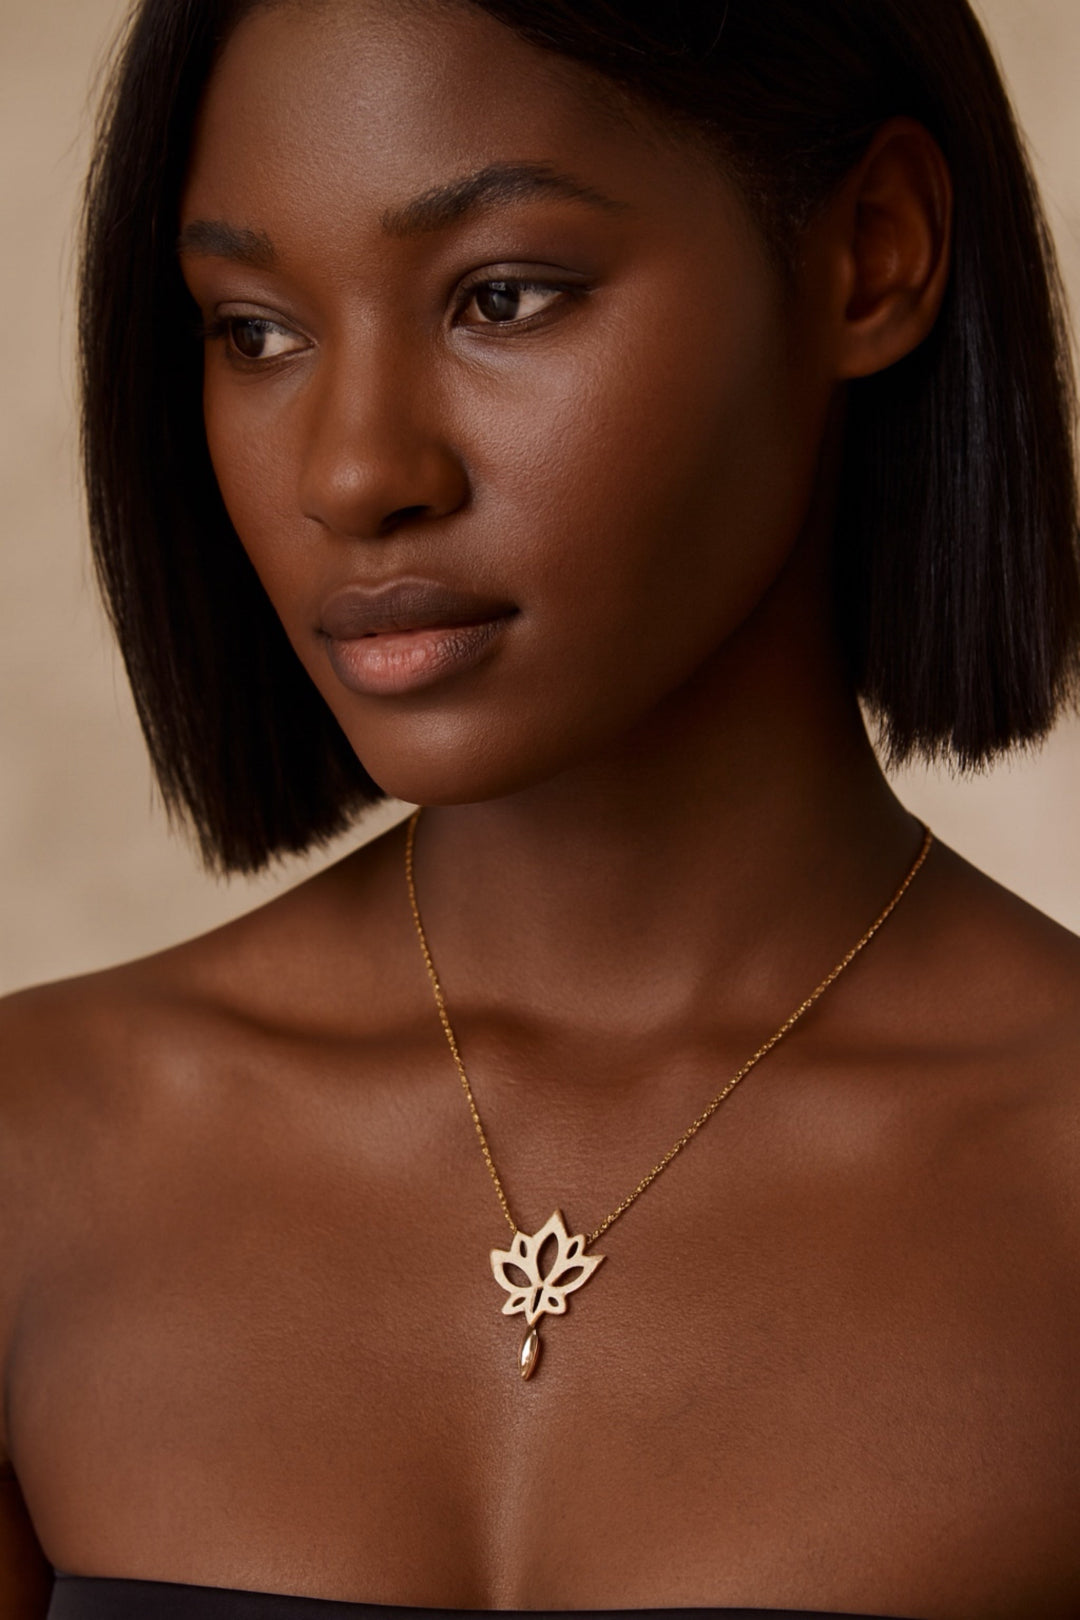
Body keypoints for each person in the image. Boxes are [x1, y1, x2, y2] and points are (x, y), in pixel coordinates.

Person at [2, 0, 1078, 1615]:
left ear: (873, 251)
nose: (354, 471)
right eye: (256, 331)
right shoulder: (37, 1150)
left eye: (502, 296)